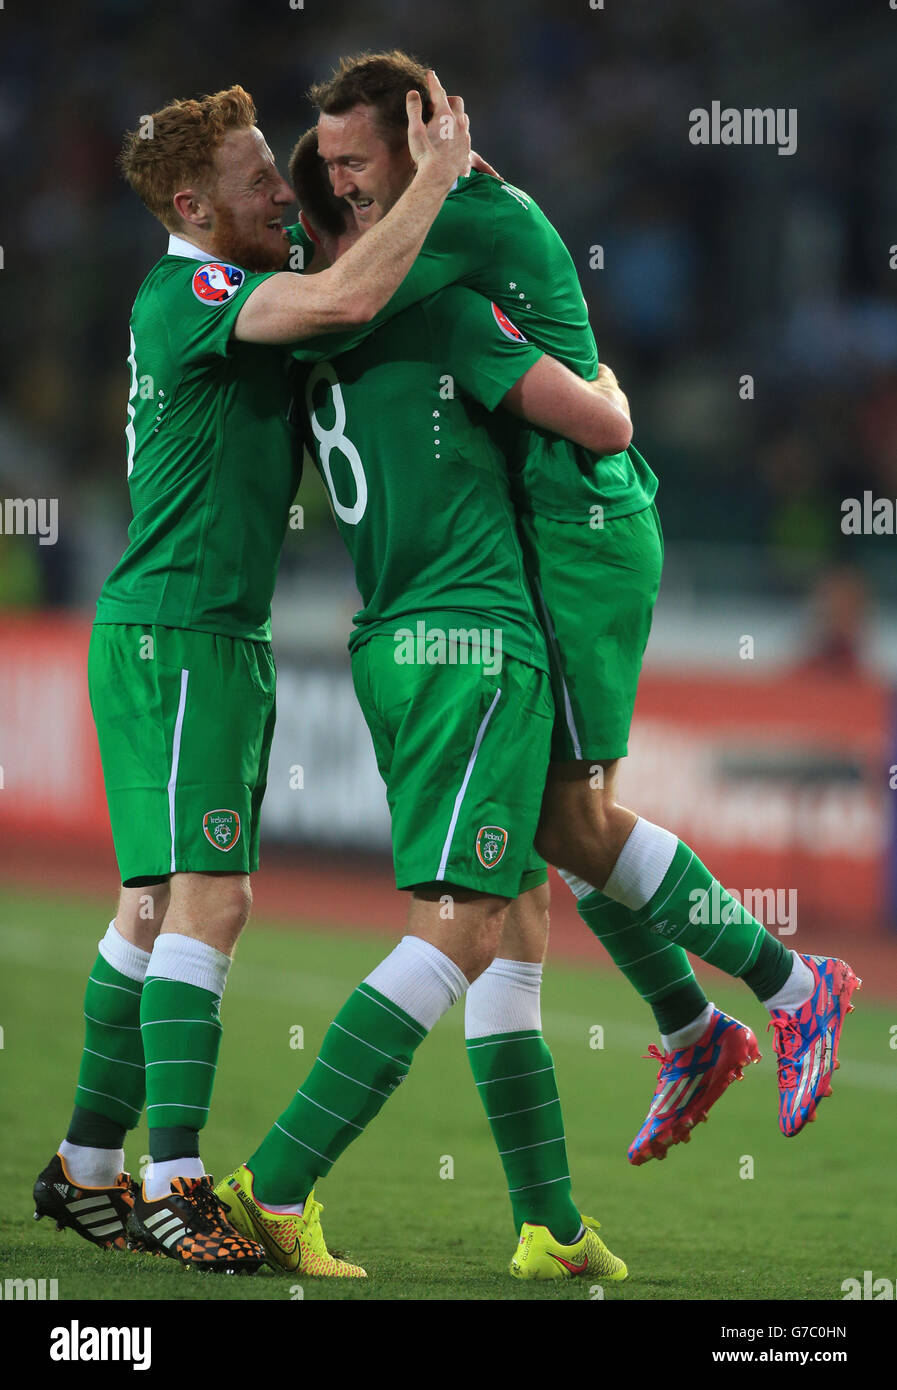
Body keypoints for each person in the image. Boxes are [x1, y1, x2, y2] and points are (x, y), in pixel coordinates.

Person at [283, 49, 860, 1166]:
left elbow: (343, 301)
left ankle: (795, 987)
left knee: (571, 821)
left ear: (425, 133)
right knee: (561, 822)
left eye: (357, 160)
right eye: (336, 169)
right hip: (552, 527)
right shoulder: (448, 207)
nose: (347, 186)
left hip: (581, 533)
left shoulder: (447, 218)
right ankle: (695, 1029)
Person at [32, 74, 472, 1275]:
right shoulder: (196, 290)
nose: (285, 189)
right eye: (257, 180)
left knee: (149, 908)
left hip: (183, 631)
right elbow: (343, 296)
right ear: (193, 203)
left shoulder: (218, 290)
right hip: (185, 636)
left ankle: (85, 1168)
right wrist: (434, 180)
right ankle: (176, 1179)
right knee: (213, 900)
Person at [214, 235, 634, 1280]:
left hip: (393, 640)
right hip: (474, 644)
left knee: (516, 915)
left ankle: (548, 1220)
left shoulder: (316, 342)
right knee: (462, 926)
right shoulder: (443, 314)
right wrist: (603, 379)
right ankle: (272, 1182)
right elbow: (603, 424)